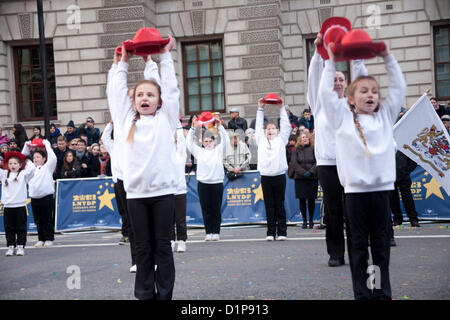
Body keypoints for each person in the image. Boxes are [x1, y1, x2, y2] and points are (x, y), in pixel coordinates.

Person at [319, 42, 406, 300]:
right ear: (350, 98)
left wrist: (387, 57)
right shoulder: (341, 118)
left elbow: (399, 87)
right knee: (358, 248)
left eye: (375, 91)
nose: (370, 95)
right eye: (364, 91)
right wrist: (331, 61)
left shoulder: (385, 117)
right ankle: (363, 294)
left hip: (380, 192)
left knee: (380, 248)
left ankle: (379, 292)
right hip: (355, 194)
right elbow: (325, 94)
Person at [109, 36, 179, 300]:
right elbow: (116, 93)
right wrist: (123, 63)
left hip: (162, 195)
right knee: (142, 248)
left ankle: (165, 296)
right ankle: (144, 294)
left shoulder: (166, 119)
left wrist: (165, 56)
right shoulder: (126, 120)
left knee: (163, 247)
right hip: (136, 197)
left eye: (150, 95)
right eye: (140, 95)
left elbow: (170, 88)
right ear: (134, 101)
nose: (145, 98)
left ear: (159, 101)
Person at [307, 32, 368, 268]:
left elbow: (363, 79)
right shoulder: (320, 105)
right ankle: (335, 253)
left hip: (350, 163)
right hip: (328, 164)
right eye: (335, 79)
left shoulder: (353, 104)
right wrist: (319, 53)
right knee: (334, 210)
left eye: (342, 79)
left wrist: (356, 56)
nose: (338, 82)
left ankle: (356, 251)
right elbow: (314, 79)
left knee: (354, 210)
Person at [187, 115, 229, 242]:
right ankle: (208, 232)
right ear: (202, 142)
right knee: (206, 209)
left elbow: (226, 140)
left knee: (216, 209)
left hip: (216, 183)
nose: (208, 143)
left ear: (214, 141)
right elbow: (188, 143)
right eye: (205, 141)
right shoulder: (199, 152)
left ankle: (216, 232)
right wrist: (192, 128)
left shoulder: (219, 151)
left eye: (210, 141)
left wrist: (219, 126)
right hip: (203, 184)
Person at [256, 98, 291, 241]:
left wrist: (282, 108)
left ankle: (282, 232)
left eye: (273, 128)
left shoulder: (282, 139)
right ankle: (270, 232)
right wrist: (260, 109)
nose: (271, 131)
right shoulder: (260, 139)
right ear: (265, 131)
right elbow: (258, 126)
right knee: (269, 205)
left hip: (279, 176)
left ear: (277, 131)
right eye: (268, 129)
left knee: (280, 204)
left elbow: (286, 126)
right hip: (266, 176)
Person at [22, 139, 57, 247]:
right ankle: (41, 238)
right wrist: (26, 147)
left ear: (44, 159)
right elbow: (21, 158)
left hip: (46, 197)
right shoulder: (30, 168)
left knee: (47, 218)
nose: (35, 159)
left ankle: (49, 238)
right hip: (34, 197)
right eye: (34, 157)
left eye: (38, 157)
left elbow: (53, 158)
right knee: (38, 219)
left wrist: (47, 145)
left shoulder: (47, 167)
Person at [1, 151, 35, 256]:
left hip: (20, 206)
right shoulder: (4, 174)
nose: (13, 165)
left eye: (15, 163)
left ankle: (20, 246)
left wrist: (27, 159)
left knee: (21, 227)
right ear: (7, 165)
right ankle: (11, 246)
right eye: (10, 163)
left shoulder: (23, 174)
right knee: (9, 227)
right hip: (7, 206)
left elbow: (32, 169)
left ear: (20, 165)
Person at [288, 132, 318, 229]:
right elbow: (294, 163)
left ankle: (311, 221)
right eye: (302, 137)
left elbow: (317, 161)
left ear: (309, 138)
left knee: (311, 200)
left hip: (312, 177)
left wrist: (311, 171)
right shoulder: (296, 150)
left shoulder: (314, 148)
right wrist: (303, 172)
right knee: (302, 200)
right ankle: (304, 221)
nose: (304, 139)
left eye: (306, 137)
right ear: (299, 140)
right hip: (300, 178)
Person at [390, 151, 420, 227]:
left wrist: (406, 171)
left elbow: (414, 160)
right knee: (393, 199)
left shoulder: (404, 147)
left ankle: (413, 219)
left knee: (407, 198)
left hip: (404, 177)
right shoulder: (388, 146)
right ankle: (397, 219)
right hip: (391, 177)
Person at [172, 124, 188, 253]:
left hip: (180, 190)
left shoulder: (180, 155)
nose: (174, 143)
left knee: (180, 218)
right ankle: (171, 240)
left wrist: (177, 124)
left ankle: (182, 241)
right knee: (167, 218)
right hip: (166, 191)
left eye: (175, 141)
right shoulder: (163, 154)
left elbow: (182, 140)